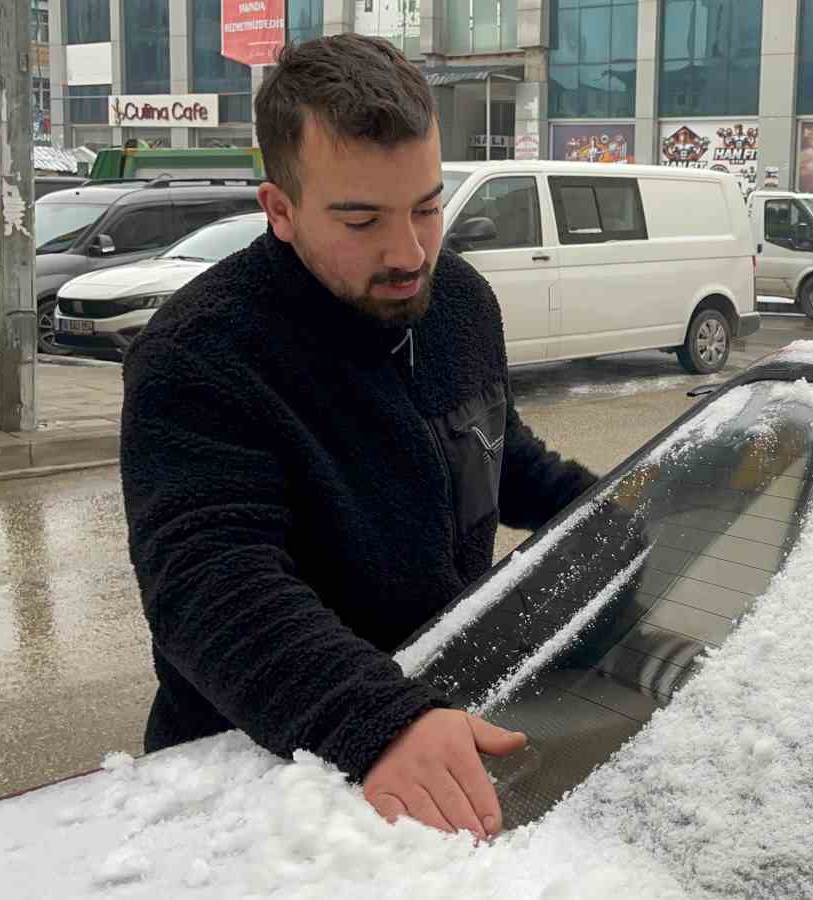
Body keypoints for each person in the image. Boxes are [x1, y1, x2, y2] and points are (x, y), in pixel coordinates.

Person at [119, 34, 599, 842]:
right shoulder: (200, 355)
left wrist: (619, 522)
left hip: (436, 725)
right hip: (265, 781)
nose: (408, 252)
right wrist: (379, 721)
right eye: (361, 219)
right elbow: (209, 586)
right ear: (279, 209)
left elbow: (497, 452)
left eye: (427, 206)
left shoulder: (460, 305)